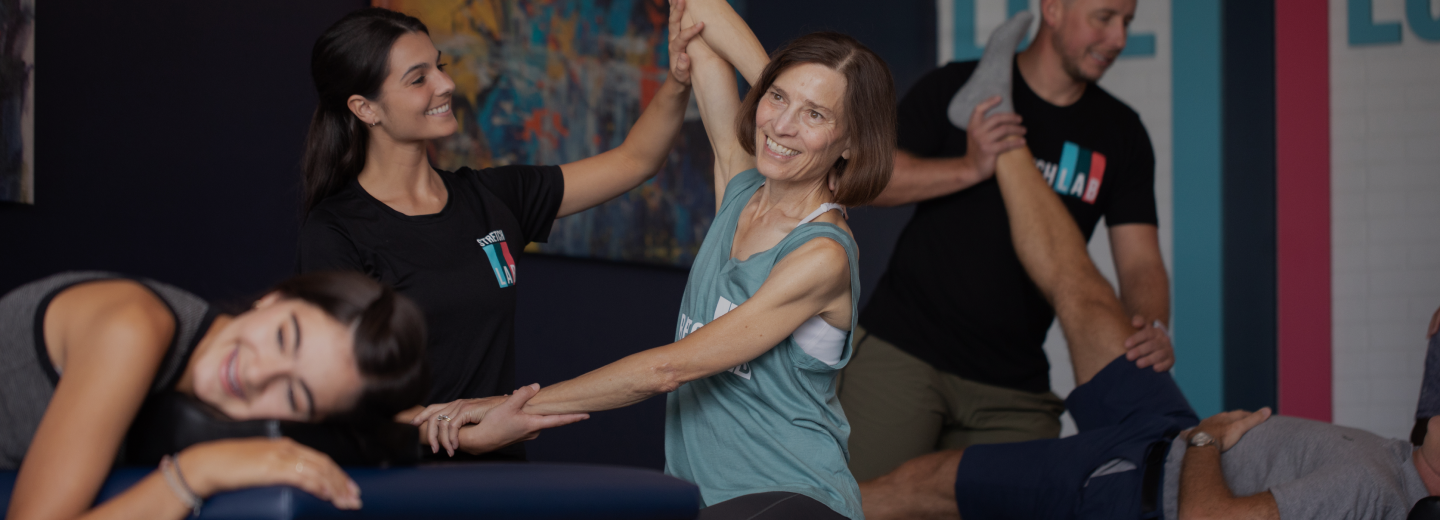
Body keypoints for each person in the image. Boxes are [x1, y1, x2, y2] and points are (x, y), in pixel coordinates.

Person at [409, 0, 895, 517]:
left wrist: (506, 410)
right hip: (708, 498)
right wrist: (772, 95)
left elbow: (666, 369)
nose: (784, 124)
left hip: (791, 495)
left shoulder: (821, 254)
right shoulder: (741, 187)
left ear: (850, 142)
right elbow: (705, 23)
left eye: (815, 115)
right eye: (777, 97)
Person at [856, 95, 1440, 518]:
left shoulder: (1377, 491)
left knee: (923, 483)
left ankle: (772, 512)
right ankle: (1000, 115)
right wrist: (1156, 331)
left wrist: (1206, 441)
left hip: (1136, 481)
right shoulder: (1406, 457)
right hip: (1167, 428)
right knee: (1084, 289)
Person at [294, 7, 702, 460]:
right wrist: (462, 435)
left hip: (498, 478)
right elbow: (338, 398)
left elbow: (635, 160)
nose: (445, 84)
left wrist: (679, 79)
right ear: (364, 108)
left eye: (440, 66)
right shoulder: (336, 231)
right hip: (398, 484)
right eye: (418, 78)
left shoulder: (492, 198)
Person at [840, 0, 1175, 482]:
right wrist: (968, 167)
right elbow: (865, 180)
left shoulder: (1122, 134)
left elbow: (1142, 263)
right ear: (1053, 9)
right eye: (1105, 18)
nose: (1119, 39)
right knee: (849, 505)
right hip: (904, 352)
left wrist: (1152, 326)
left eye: (1127, 22)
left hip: (1014, 387)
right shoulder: (954, 86)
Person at [1, 270, 445, 519]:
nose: (257, 372)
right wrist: (194, 475)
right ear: (273, 298)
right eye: (283, 337)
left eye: (294, 394)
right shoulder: (132, 329)